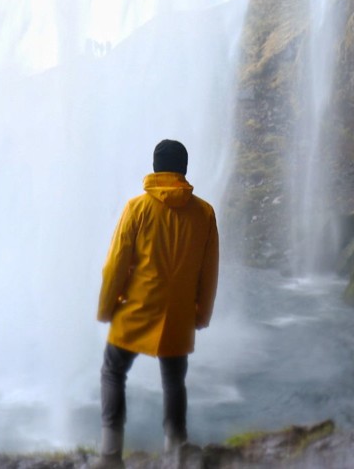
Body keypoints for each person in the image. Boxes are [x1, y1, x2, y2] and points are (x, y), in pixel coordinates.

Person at [95, 139, 219, 468]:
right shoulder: (204, 212)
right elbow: (209, 271)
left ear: (155, 168)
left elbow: (116, 265)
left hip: (136, 308)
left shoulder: (137, 208)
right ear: (184, 169)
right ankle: (176, 449)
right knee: (174, 380)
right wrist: (202, 314)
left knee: (112, 371)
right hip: (178, 314)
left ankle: (110, 453)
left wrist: (107, 307)